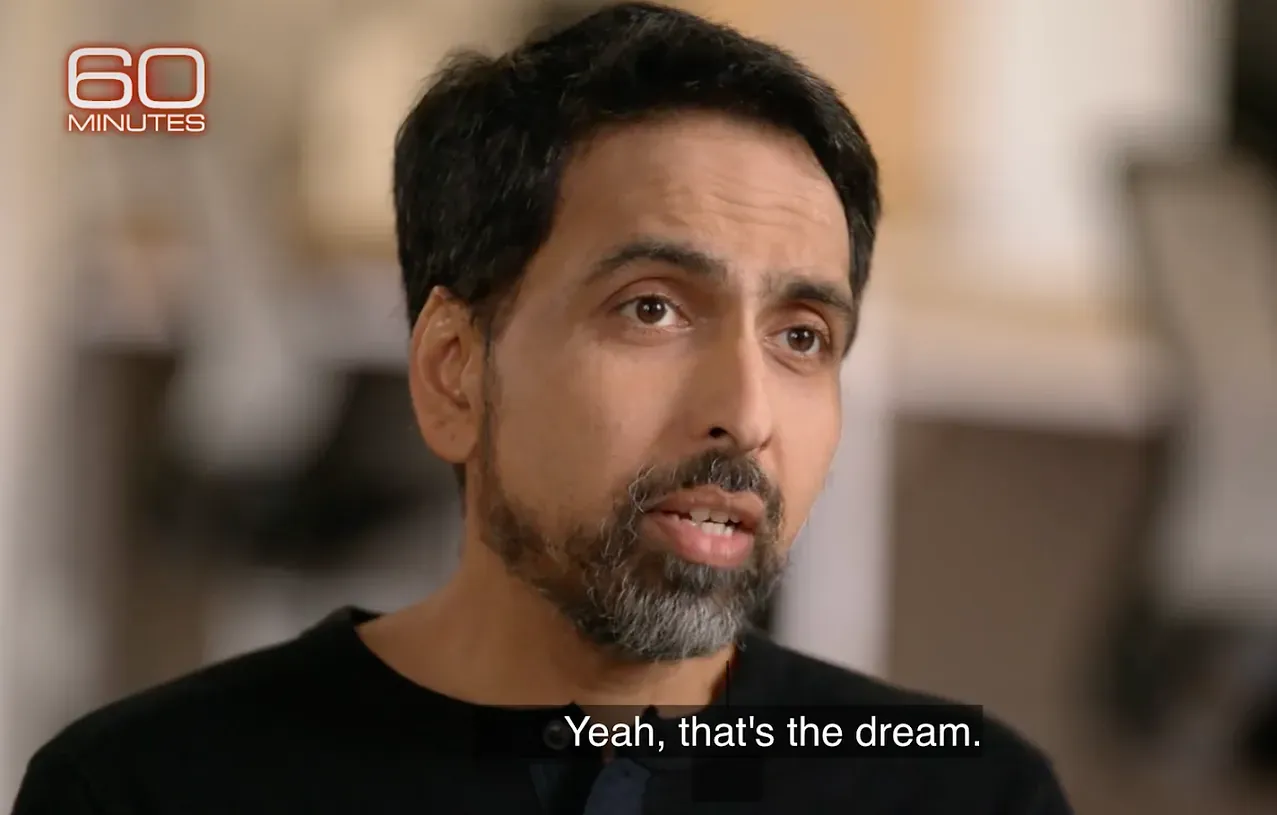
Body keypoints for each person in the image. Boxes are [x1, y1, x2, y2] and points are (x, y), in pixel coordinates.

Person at [12, 3, 1072, 813]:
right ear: (454, 370)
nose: (745, 413)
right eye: (652, 308)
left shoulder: (965, 793)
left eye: (801, 336)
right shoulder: (147, 790)